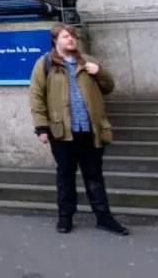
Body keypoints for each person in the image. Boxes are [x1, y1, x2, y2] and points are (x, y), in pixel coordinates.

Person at [29, 23, 128, 236]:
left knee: (94, 176)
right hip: (62, 132)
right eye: (66, 37)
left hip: (90, 130)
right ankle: (65, 217)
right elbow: (36, 97)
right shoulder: (45, 63)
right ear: (55, 40)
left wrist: (100, 72)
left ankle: (104, 217)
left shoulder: (89, 62)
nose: (71, 40)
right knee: (65, 175)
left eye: (72, 36)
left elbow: (109, 87)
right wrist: (41, 127)